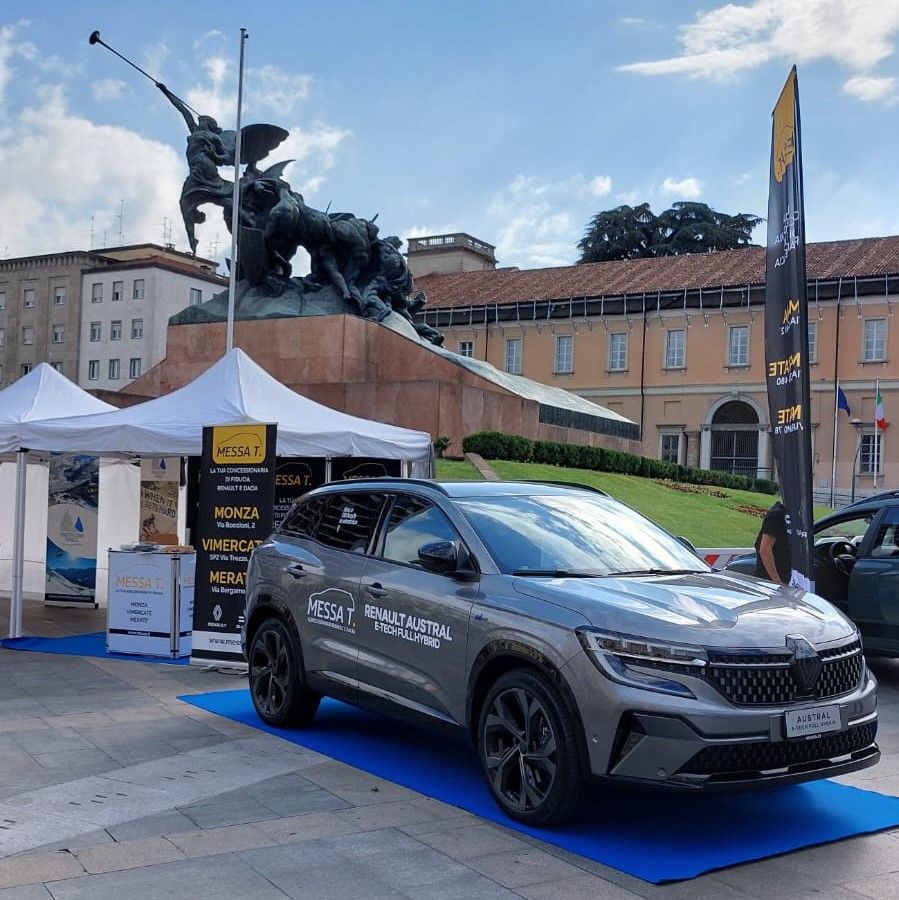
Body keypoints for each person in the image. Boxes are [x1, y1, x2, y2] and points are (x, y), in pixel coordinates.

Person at [754, 500, 791, 585]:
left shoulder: (789, 514)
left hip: (784, 577)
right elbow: (765, 550)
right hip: (770, 582)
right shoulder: (777, 515)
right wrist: (777, 581)